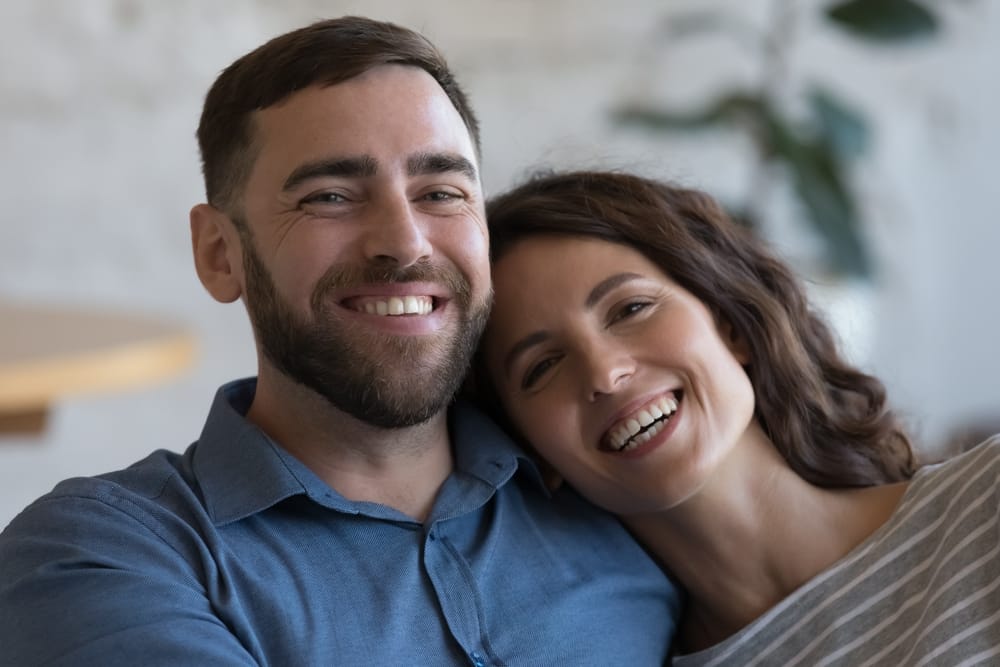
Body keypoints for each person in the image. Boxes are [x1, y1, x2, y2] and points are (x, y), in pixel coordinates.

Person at [0, 21, 680, 666]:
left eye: (441, 191)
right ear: (219, 253)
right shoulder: (96, 554)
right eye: (329, 196)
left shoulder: (617, 480)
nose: (405, 242)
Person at [476, 169, 1000, 665]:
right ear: (531, 453)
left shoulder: (985, 507)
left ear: (731, 324)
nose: (604, 373)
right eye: (541, 366)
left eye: (630, 308)